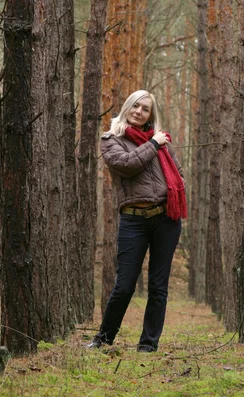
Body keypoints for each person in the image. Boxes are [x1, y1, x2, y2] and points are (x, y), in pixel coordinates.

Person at [87, 90, 187, 353]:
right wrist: (153, 144)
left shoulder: (162, 142)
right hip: (134, 220)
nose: (139, 112)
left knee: (158, 286)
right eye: (136, 106)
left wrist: (177, 187)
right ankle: (103, 339)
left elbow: (178, 173)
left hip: (166, 219)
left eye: (145, 109)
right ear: (127, 107)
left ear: (150, 115)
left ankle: (148, 345)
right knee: (124, 285)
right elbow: (127, 164)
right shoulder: (111, 140)